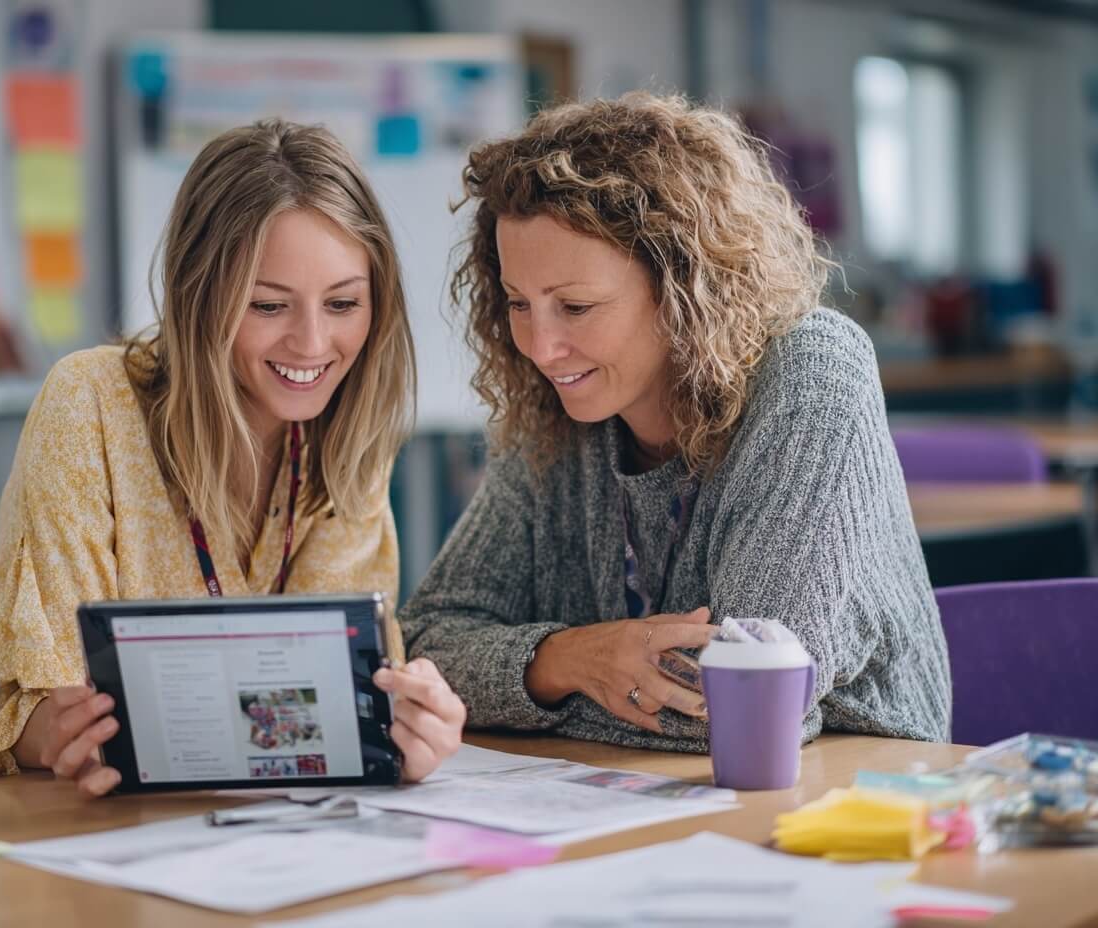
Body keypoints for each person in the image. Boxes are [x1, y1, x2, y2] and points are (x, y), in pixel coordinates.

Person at [401, 93, 950, 751]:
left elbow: (741, 709)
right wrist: (573, 657)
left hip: (854, 805)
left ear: (686, 289)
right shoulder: (562, 407)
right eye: (519, 303)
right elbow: (422, 647)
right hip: (635, 805)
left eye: (576, 307)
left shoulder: (812, 372)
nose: (541, 348)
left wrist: (507, 689)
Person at [0, 119, 466, 795]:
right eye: (268, 305)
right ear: (199, 294)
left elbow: (324, 716)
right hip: (106, 836)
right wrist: (59, 737)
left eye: (344, 303)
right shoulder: (90, 402)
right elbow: (37, 708)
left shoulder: (349, 432)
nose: (313, 343)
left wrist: (399, 730)